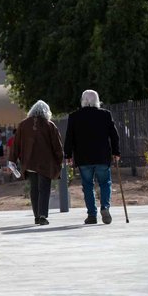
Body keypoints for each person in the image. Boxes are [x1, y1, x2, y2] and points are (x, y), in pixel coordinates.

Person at [64, 90, 120, 225]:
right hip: (102, 156)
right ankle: (105, 207)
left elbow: (69, 137)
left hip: (84, 158)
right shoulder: (105, 115)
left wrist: (68, 154)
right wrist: (116, 152)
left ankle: (92, 215)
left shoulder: (74, 116)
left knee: (88, 186)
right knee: (105, 183)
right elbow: (114, 135)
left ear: (83, 100)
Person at [9, 100, 63, 225]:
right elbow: (57, 147)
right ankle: (43, 215)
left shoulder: (23, 125)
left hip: (29, 162)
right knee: (44, 189)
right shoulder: (50, 125)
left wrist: (12, 159)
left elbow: (16, 145)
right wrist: (59, 162)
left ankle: (36, 215)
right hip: (45, 163)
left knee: (34, 189)